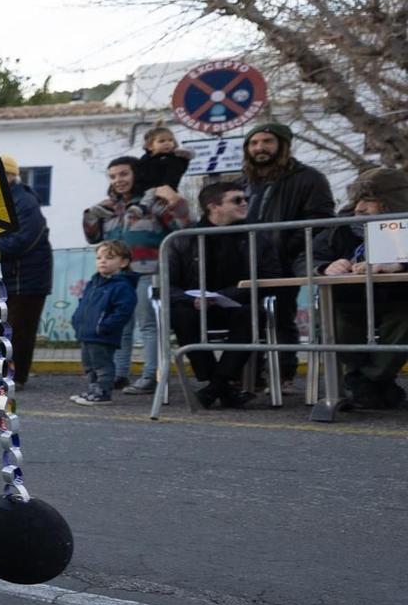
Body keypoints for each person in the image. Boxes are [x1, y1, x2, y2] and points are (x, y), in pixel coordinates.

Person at [166, 179, 283, 408]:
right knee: (181, 314)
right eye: (237, 200)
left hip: (239, 303)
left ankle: (215, 387)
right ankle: (221, 388)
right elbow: (165, 286)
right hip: (195, 306)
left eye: (246, 199)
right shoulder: (182, 239)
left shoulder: (256, 235)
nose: (244, 204)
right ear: (213, 206)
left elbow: (272, 277)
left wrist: (228, 294)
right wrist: (194, 299)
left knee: (252, 314)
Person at [82, 155, 189, 393]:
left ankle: (151, 376)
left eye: (123, 174)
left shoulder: (154, 203)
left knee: (149, 325)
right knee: (122, 325)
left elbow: (183, 227)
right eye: (113, 176)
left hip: (148, 272)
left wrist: (177, 202)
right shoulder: (109, 208)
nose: (118, 180)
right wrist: (91, 214)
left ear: (136, 174)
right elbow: (93, 237)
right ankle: (120, 374)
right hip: (118, 277)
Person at [242, 122, 335, 379]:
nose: (260, 148)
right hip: (246, 261)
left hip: (284, 260)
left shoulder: (309, 178)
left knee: (281, 317)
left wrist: (287, 247)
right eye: (254, 142)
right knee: (248, 318)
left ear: (282, 145)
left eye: (267, 142)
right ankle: (251, 376)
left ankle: (283, 373)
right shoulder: (242, 181)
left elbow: (321, 219)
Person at [315, 166, 408, 410]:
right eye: (357, 199)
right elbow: (309, 254)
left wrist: (400, 264)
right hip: (350, 300)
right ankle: (376, 383)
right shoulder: (341, 226)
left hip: (401, 300)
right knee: (333, 322)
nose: (359, 208)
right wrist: (325, 266)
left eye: (369, 200)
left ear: (392, 202)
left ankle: (364, 380)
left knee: (404, 323)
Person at [0, 155, 51, 387]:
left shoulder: (24, 201)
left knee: (19, 332)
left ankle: (15, 376)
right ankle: (3, 373)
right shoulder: (1, 200)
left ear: (10, 175)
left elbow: (23, 240)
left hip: (26, 279)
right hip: (6, 277)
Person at [69, 241, 138, 404]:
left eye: (109, 257)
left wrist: (105, 326)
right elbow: (84, 304)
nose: (102, 261)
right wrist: (77, 321)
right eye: (99, 257)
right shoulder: (94, 283)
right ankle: (93, 390)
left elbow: (123, 311)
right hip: (87, 334)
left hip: (103, 334)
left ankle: (103, 392)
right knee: (89, 365)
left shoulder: (123, 286)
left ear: (124, 262)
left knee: (102, 365)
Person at [131, 124, 192, 199]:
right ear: (150, 146)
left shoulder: (174, 159)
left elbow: (172, 179)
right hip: (144, 193)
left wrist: (184, 159)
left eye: (170, 140)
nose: (167, 143)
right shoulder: (145, 159)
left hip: (166, 194)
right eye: (161, 141)